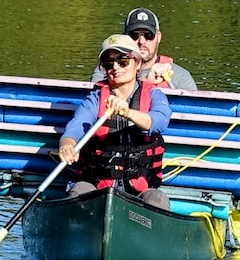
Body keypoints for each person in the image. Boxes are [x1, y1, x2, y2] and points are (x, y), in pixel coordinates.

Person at [59, 34, 171, 210]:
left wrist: (128, 112)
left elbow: (159, 121)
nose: (115, 68)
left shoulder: (153, 95)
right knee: (79, 190)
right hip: (96, 186)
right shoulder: (95, 99)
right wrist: (67, 144)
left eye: (123, 61)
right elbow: (76, 126)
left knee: (157, 199)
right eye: (109, 64)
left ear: (138, 63)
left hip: (140, 188)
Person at [90, 8, 197, 90]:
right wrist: (146, 82)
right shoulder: (109, 70)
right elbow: (97, 97)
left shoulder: (180, 77)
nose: (141, 41)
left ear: (158, 37)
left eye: (148, 35)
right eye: (134, 35)